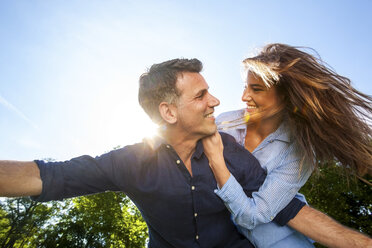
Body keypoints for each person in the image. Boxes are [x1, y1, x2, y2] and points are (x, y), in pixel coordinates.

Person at [0, 58, 371, 248]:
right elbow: (50, 176)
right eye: (200, 96)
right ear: (169, 112)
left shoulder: (229, 152)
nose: (217, 101)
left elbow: (293, 213)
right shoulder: (131, 161)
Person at [202, 43, 372, 247]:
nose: (244, 97)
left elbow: (254, 215)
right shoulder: (225, 122)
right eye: (245, 87)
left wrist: (217, 161)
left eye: (256, 89)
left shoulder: (299, 153)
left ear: (284, 96)